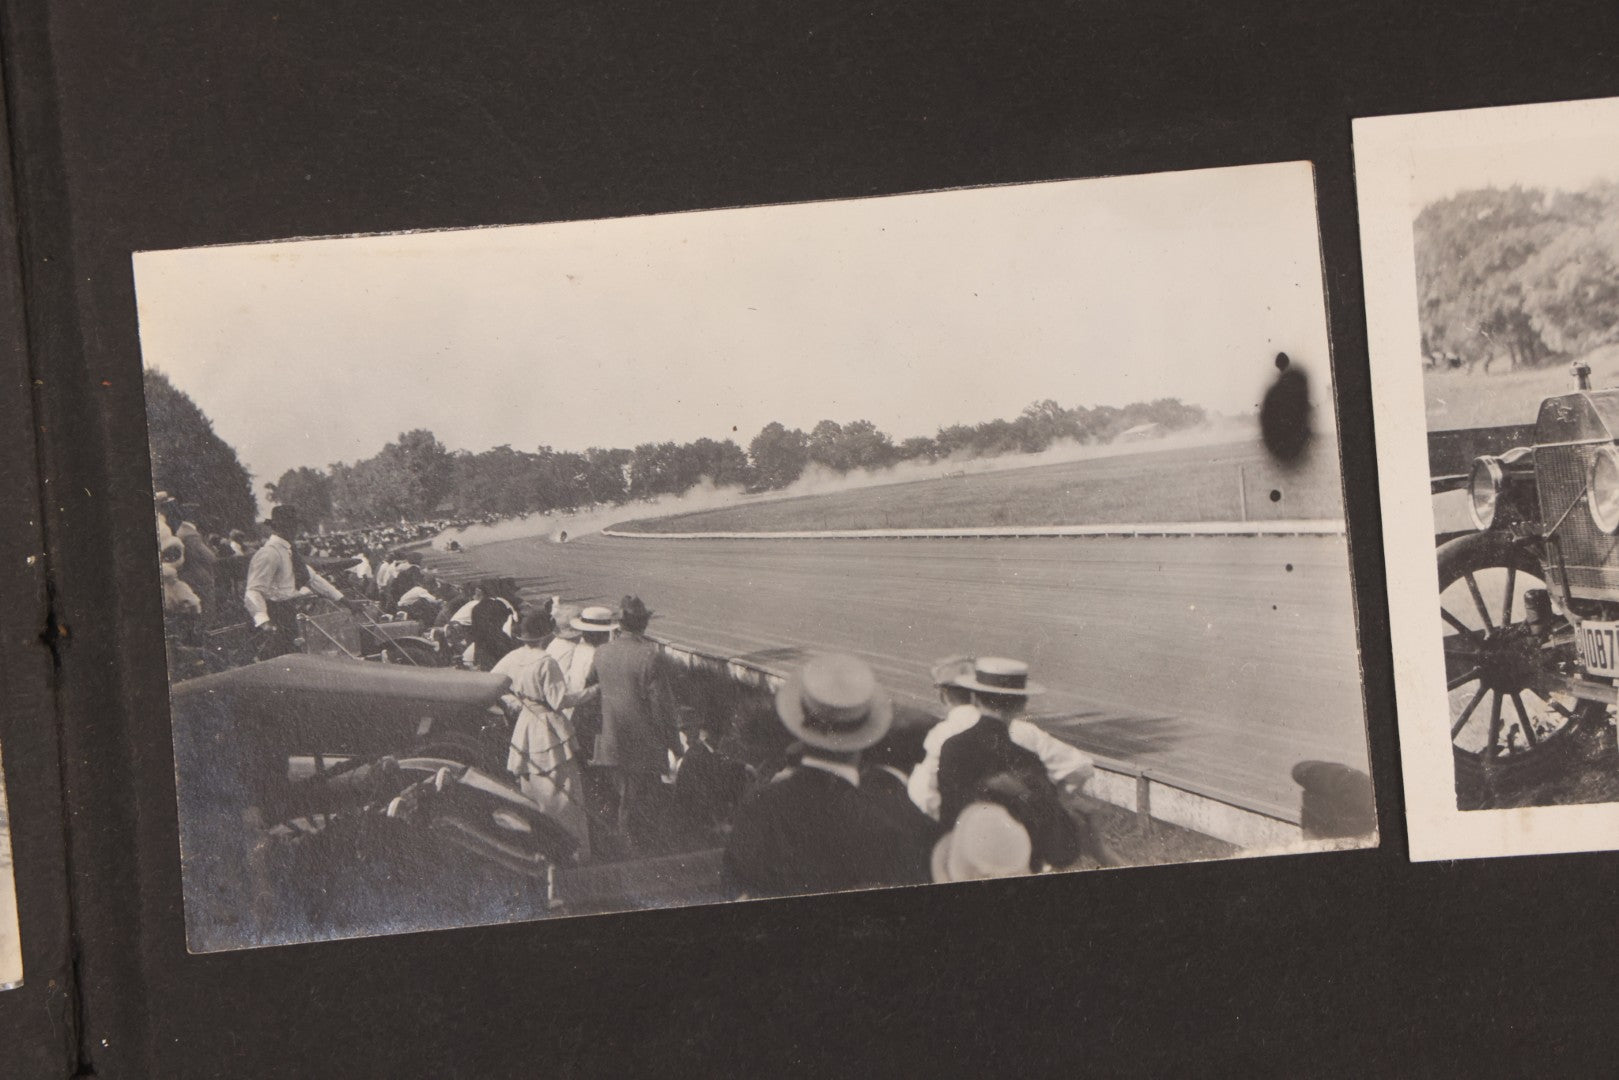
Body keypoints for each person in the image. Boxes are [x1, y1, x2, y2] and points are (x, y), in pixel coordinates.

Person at [723, 653, 934, 898]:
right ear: (865, 738)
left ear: (802, 730)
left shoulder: (760, 804)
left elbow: (734, 887)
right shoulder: (890, 818)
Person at [907, 657, 1095, 820]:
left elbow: (922, 795)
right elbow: (1079, 767)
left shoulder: (941, 734)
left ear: (944, 695)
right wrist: (1054, 803)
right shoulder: (1027, 731)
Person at [497, 607, 590, 857]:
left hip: (526, 725)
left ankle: (539, 848)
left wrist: (518, 701)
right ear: (546, 635)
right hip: (547, 726)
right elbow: (559, 700)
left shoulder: (516, 657)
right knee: (563, 791)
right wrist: (592, 692)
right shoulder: (546, 662)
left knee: (532, 789)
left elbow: (499, 682)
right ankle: (571, 850)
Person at [589, 597, 679, 853]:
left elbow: (590, 688)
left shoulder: (602, 652)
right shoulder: (650, 656)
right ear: (644, 624)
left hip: (610, 742)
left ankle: (621, 845)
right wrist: (674, 744)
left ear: (620, 624)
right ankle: (635, 851)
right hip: (643, 746)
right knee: (640, 808)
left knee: (621, 800)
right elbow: (662, 707)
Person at [243, 505, 355, 658]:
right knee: (282, 659)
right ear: (278, 527)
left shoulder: (289, 552)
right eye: (289, 525)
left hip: (288, 612)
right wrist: (264, 622)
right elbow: (253, 591)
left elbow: (313, 579)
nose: (294, 530)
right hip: (274, 614)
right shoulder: (269, 553)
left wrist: (345, 600)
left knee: (297, 655)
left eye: (294, 525)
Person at [672, 706, 748, 844]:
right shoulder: (697, 756)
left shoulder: (706, 753)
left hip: (700, 813)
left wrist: (744, 767)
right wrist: (716, 823)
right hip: (693, 818)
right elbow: (700, 793)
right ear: (717, 736)